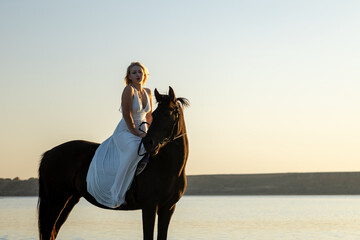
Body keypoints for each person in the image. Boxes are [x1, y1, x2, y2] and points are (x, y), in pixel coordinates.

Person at [86, 62, 153, 208]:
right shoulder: (128, 90)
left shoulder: (148, 92)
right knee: (132, 151)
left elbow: (148, 116)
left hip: (143, 130)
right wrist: (135, 132)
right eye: (134, 72)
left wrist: (149, 132)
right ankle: (116, 192)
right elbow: (127, 114)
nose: (137, 75)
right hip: (126, 130)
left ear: (144, 74)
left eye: (140, 72)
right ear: (129, 76)